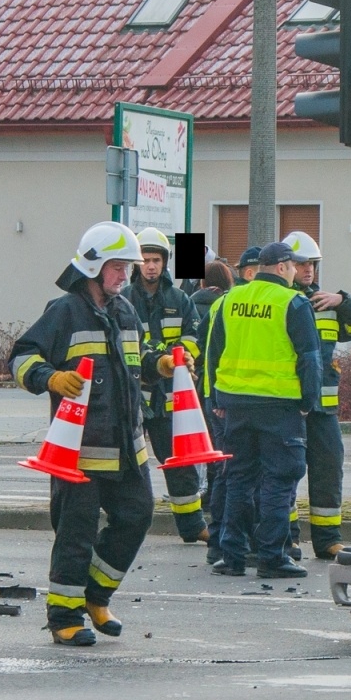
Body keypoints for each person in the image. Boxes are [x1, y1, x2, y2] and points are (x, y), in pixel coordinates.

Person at [9, 222, 156, 647]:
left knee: (137, 516)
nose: (125, 275)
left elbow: (133, 362)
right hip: (79, 451)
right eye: (117, 267)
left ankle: (96, 596)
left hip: (127, 447)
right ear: (92, 266)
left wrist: (157, 367)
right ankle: (64, 617)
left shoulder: (125, 310)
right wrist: (50, 378)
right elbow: (21, 356)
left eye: (127, 267)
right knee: (76, 533)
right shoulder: (64, 311)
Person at [204, 241, 321, 579]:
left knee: (239, 479)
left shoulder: (230, 300)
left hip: (235, 404)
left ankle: (232, 555)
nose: (298, 271)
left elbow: (214, 353)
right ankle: (271, 556)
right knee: (279, 479)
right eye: (295, 266)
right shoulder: (293, 302)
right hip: (279, 405)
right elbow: (309, 359)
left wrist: (217, 400)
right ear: (283, 267)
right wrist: (307, 403)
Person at [284, 230, 351, 560]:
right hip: (291, 403)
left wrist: (343, 301)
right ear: (287, 266)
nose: (309, 271)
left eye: (313, 265)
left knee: (329, 468)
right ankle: (287, 539)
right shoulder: (284, 302)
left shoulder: (326, 303)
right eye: (302, 264)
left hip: (324, 407)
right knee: (287, 472)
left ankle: (328, 539)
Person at [124, 226, 206, 544]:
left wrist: (183, 356)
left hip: (170, 395)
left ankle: (192, 526)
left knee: (178, 462)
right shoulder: (125, 299)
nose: (151, 266)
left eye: (156, 259)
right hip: (135, 394)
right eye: (145, 259)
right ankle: (125, 525)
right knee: (129, 463)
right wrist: (160, 358)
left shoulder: (179, 299)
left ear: (165, 262)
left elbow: (193, 336)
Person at [191, 259, 236, 565]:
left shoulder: (191, 304)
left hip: (208, 394)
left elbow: (202, 348)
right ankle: (229, 541)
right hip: (229, 397)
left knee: (219, 468)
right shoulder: (227, 306)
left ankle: (218, 542)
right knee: (235, 470)